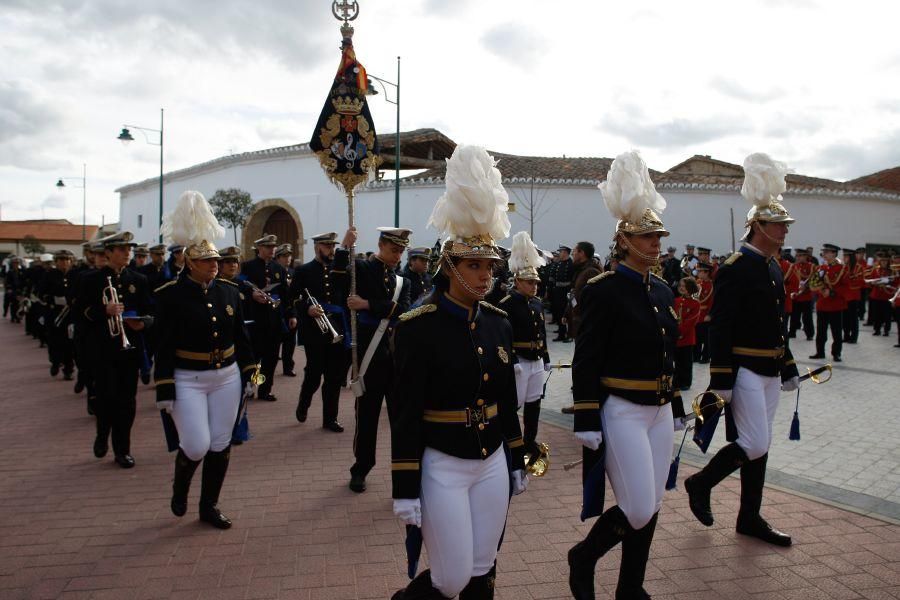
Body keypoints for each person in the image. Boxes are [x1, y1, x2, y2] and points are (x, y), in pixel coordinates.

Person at [390, 144, 526, 600]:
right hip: (442, 460)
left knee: (482, 567)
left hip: (490, 460)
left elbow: (505, 398)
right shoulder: (417, 325)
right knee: (449, 579)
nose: (485, 274)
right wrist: (404, 485)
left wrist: (517, 453)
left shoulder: (498, 321)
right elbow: (405, 411)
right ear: (449, 265)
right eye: (473, 265)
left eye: (490, 265)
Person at [568, 151, 681, 600]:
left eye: (657, 236)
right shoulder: (604, 289)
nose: (656, 243)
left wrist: (674, 404)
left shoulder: (662, 288)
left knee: (651, 504)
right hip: (622, 409)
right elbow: (586, 358)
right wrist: (586, 417)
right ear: (624, 239)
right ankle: (584, 556)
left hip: (658, 410)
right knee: (635, 506)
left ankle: (630, 587)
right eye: (647, 236)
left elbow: (668, 353)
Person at [685, 152, 799, 547]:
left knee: (761, 443)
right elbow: (722, 326)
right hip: (746, 370)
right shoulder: (736, 266)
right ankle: (700, 482)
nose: (784, 231)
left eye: (784, 225)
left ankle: (749, 516)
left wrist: (788, 365)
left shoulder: (771, 266)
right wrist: (722, 379)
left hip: (768, 369)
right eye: (777, 225)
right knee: (753, 442)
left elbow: (775, 325)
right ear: (757, 227)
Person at [154, 191, 257, 529]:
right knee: (196, 445)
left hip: (226, 376)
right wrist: (164, 387)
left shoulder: (229, 291)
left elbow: (240, 337)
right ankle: (180, 486)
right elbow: (163, 345)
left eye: (216, 261)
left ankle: (209, 505)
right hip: (188, 378)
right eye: (206, 262)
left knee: (221, 442)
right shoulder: (170, 296)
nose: (215, 266)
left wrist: (253, 374)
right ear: (189, 262)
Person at [77, 231, 151, 468]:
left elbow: (150, 312)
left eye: (128, 249)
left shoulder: (138, 280)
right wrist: (103, 311)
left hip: (129, 349)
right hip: (102, 348)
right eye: (121, 249)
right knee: (107, 397)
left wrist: (142, 323)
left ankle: (123, 449)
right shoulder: (91, 280)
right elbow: (81, 313)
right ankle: (102, 432)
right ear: (108, 253)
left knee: (127, 401)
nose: (127, 253)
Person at [346, 227, 412, 493]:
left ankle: (403, 470)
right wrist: (344, 247)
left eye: (401, 251)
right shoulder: (361, 269)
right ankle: (361, 468)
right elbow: (341, 277)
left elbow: (404, 311)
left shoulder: (402, 282)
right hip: (369, 355)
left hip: (396, 357)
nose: (398, 256)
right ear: (381, 245)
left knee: (401, 418)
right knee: (367, 416)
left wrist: (368, 305)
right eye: (394, 249)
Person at [290, 230, 356, 432]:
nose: (331, 250)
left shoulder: (340, 270)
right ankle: (304, 401)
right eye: (327, 246)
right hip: (314, 330)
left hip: (337, 327)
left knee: (334, 377)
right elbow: (293, 298)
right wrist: (306, 309)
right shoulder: (304, 270)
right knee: (314, 373)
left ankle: (330, 419)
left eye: (334, 246)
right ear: (317, 247)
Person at [501, 230, 550, 466]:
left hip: (537, 359)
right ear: (518, 281)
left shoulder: (538, 303)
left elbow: (542, 332)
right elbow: (503, 335)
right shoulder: (507, 304)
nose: (534, 286)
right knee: (514, 405)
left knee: (534, 404)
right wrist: (512, 360)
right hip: (519, 360)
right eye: (530, 282)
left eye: (536, 282)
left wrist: (547, 355)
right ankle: (512, 443)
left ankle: (530, 440)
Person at [241, 234, 291, 400]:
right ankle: (249, 387)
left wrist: (291, 314)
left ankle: (265, 389)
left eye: (273, 247)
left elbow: (286, 294)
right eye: (268, 247)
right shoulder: (248, 266)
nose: (272, 250)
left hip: (274, 320)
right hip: (255, 319)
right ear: (260, 248)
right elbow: (239, 287)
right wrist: (252, 295)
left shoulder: (279, 268)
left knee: (270, 358)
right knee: (254, 357)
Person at [39, 249, 76, 379]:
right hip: (54, 313)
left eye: (67, 260)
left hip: (70, 314)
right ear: (56, 262)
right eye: (61, 260)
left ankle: (68, 369)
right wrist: (53, 299)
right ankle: (55, 362)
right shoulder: (49, 275)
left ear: (71, 261)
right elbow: (41, 293)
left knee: (69, 343)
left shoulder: (76, 275)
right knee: (54, 341)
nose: (64, 262)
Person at [809, 243, 847, 362]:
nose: (824, 254)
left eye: (827, 252)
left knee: (836, 332)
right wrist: (822, 291)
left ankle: (836, 353)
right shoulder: (822, 268)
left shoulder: (841, 268)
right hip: (822, 305)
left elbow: (845, 286)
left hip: (835, 305)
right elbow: (815, 283)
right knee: (821, 331)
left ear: (834, 254)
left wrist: (831, 293)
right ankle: (820, 352)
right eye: (824, 252)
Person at [564, 241, 602, 341]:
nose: (572, 254)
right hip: (579, 322)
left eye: (574, 251)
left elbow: (595, 302)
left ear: (582, 253)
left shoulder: (591, 272)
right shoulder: (581, 270)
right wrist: (567, 313)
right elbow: (574, 294)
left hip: (587, 325)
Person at [274, 243, 299, 377]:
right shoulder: (273, 272)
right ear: (277, 258)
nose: (288, 258)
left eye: (289, 255)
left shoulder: (293, 273)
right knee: (275, 343)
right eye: (284, 256)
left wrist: (293, 313)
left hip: (290, 312)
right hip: (278, 311)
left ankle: (288, 366)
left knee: (290, 342)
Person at [674, 276, 701, 390]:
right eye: (680, 286)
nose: (681, 288)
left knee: (686, 361)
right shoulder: (676, 301)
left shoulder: (695, 303)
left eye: (684, 286)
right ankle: (677, 380)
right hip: (676, 337)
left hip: (687, 337)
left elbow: (691, 321)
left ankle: (685, 382)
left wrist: (680, 331)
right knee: (677, 361)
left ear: (690, 287)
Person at [788, 249, 815, 340]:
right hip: (796, 296)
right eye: (797, 256)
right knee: (794, 316)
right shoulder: (794, 266)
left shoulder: (811, 266)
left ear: (805, 256)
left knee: (807, 317)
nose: (798, 258)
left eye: (800, 256)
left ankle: (809, 334)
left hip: (806, 296)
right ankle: (792, 332)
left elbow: (812, 279)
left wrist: (805, 287)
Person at [550, 245, 574, 341]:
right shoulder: (560, 263)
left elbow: (573, 279)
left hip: (566, 291)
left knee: (567, 314)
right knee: (559, 312)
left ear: (565, 252)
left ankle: (569, 335)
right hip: (558, 291)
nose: (559, 253)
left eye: (561, 252)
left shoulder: (571, 264)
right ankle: (561, 333)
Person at [868, 252, 894, 337]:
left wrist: (888, 282)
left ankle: (886, 330)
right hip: (876, 295)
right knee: (877, 314)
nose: (883, 262)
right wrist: (874, 283)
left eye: (885, 261)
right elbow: (871, 280)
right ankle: (877, 329)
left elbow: (894, 282)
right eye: (882, 261)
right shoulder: (876, 269)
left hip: (886, 295)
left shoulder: (891, 271)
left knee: (887, 315)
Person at [693, 263, 714, 363]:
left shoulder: (711, 285)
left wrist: (709, 314)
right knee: (697, 336)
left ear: (706, 273)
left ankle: (705, 356)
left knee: (706, 338)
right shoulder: (698, 283)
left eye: (700, 271)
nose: (698, 273)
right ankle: (696, 355)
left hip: (705, 314)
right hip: (697, 314)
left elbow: (711, 301)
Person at [842, 248, 863, 343]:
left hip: (853, 295)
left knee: (853, 318)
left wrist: (850, 279)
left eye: (846, 256)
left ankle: (854, 337)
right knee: (845, 318)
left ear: (851, 257)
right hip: (844, 296)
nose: (844, 258)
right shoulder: (844, 267)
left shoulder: (858, 267)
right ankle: (846, 335)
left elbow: (861, 281)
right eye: (844, 256)